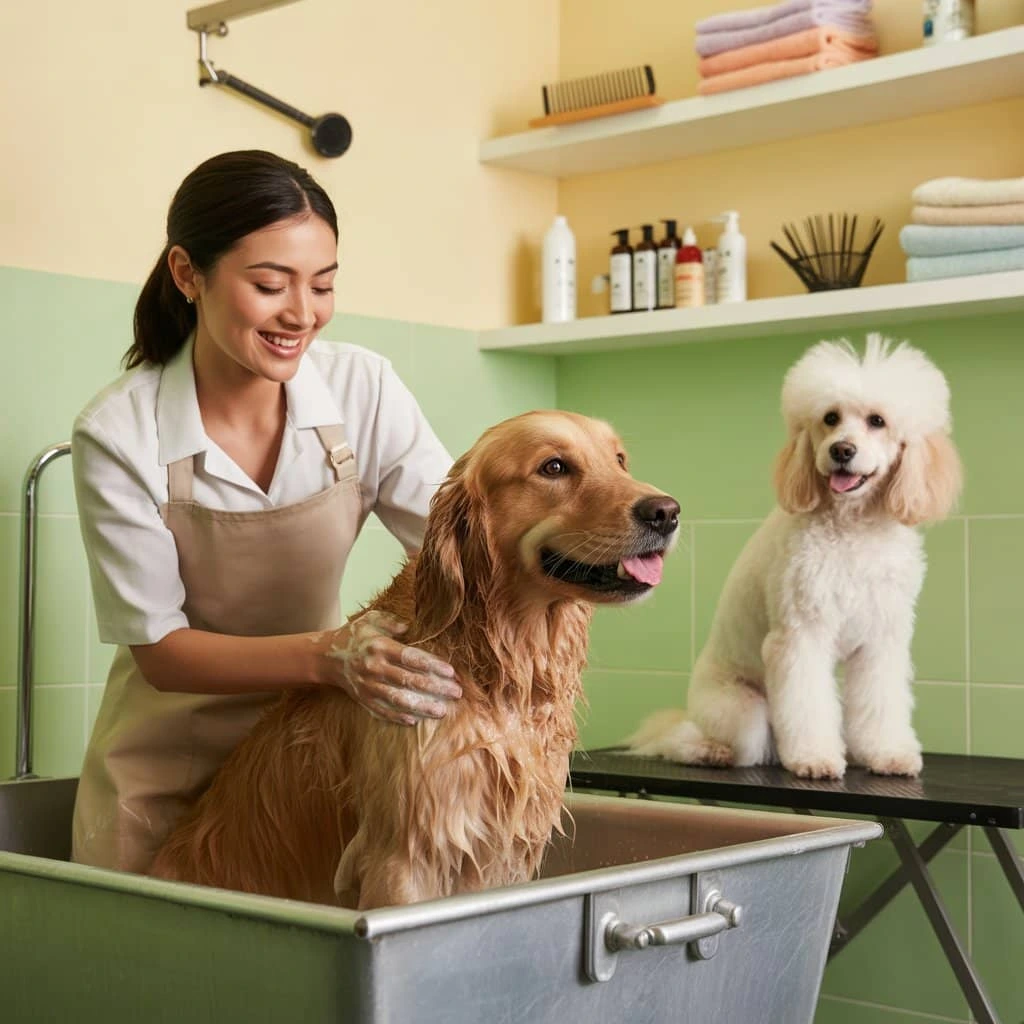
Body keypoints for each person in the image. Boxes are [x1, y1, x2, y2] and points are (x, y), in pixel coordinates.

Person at [71, 149, 461, 874]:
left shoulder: (362, 390)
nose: (302, 314)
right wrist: (331, 655)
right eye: (269, 284)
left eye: (323, 285)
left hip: (309, 767)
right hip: (162, 781)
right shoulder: (120, 432)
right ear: (188, 274)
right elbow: (161, 653)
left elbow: (461, 545)